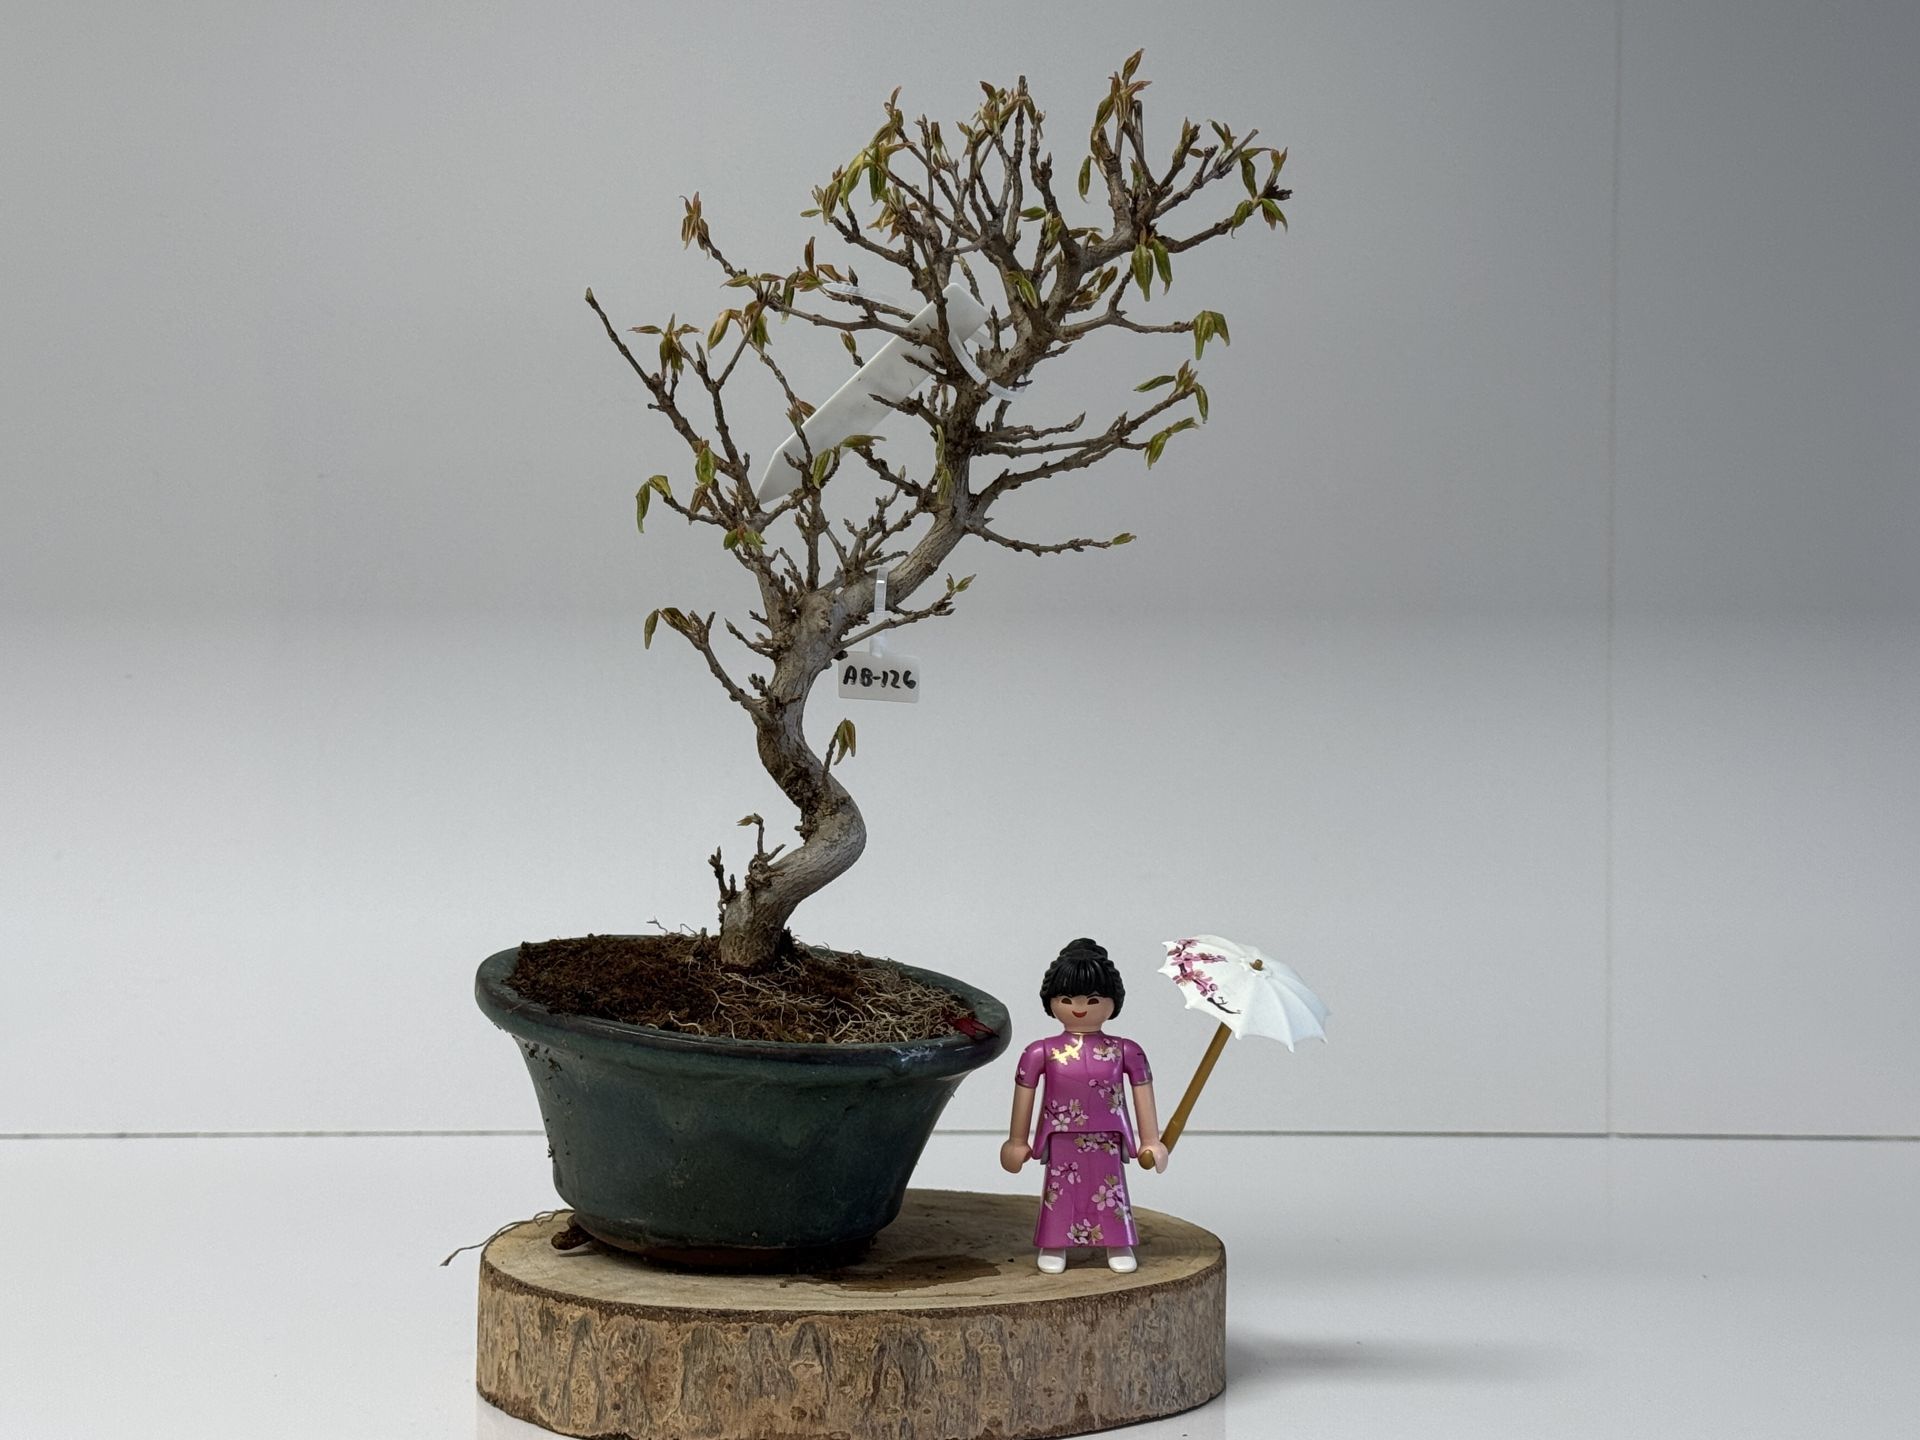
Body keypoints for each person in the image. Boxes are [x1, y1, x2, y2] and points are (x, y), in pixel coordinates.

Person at [1001, 938, 1167, 1273]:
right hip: (1060, 1135)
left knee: (1110, 1188)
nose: (1079, 1007)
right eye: (1066, 999)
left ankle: (1117, 1241)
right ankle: (1054, 1242)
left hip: (1109, 1136)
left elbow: (1142, 1093)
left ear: (1112, 1003)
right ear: (1051, 1002)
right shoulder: (1040, 1051)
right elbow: (1025, 1094)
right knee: (1060, 1189)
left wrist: (1151, 1140)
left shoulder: (1126, 1050)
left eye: (1092, 1000)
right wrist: (1017, 1141)